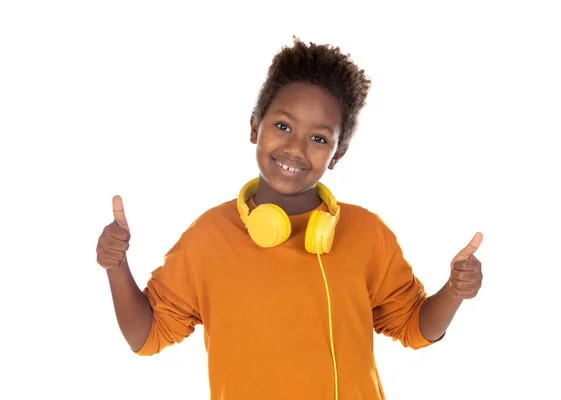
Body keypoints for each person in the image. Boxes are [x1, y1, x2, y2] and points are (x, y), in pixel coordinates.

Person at [96, 37, 484, 400]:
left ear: (339, 153)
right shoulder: (208, 236)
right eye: (283, 126)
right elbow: (145, 337)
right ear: (254, 127)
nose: (295, 148)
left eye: (319, 138)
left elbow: (413, 328)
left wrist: (454, 291)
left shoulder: (367, 232)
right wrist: (116, 266)